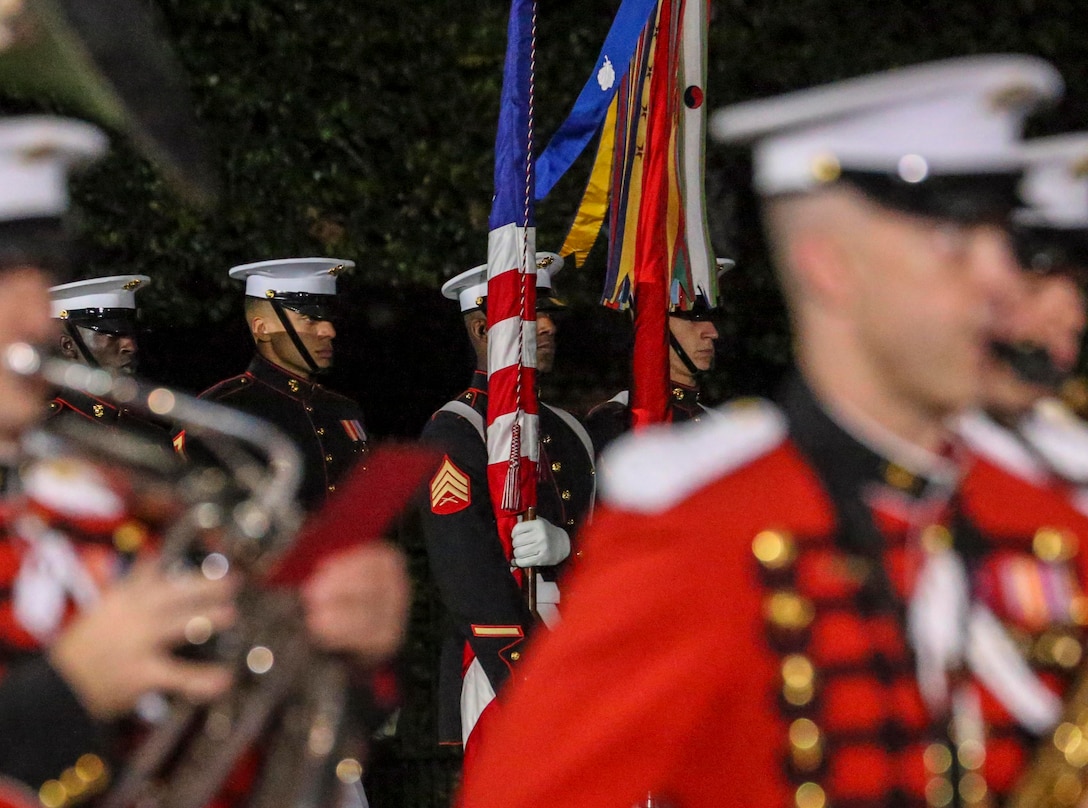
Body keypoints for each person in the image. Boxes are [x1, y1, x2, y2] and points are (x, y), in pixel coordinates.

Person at [456, 55, 1067, 808]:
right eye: (956, 243)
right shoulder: (702, 528)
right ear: (830, 266)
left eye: (1004, 241)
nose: (1004, 279)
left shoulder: (1047, 508)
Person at [0, 128, 410, 804]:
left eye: (40, 276)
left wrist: (352, 656)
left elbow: (275, 733)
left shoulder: (115, 492)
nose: (33, 317)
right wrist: (69, 698)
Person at [417, 252, 595, 774]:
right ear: (480, 328)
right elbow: (466, 574)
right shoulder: (456, 431)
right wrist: (525, 672)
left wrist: (570, 546)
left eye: (547, 312)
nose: (546, 326)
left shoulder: (572, 431)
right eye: (528, 314)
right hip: (505, 663)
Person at [177, 258, 369, 513]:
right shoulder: (221, 410)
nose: (328, 331)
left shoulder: (342, 408)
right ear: (263, 328)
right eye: (309, 320)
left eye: (328, 320)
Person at [584, 258, 733, 456]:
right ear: (651, 322)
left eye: (712, 317)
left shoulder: (720, 423)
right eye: (692, 315)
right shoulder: (620, 420)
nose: (712, 332)